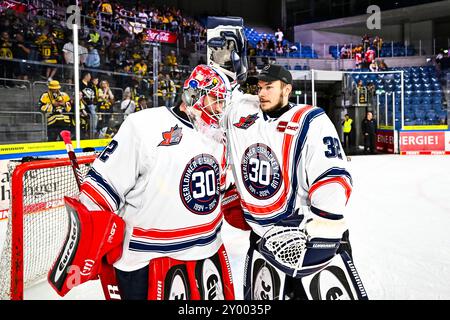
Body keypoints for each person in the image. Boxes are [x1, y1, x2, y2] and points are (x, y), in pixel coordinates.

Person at [48, 64, 236, 300]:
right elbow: (98, 193)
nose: (220, 109)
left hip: (207, 253)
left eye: (223, 102)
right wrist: (92, 240)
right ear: (194, 95)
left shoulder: (218, 137)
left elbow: (220, 188)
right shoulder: (144, 125)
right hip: (146, 260)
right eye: (215, 101)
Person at [221, 64, 367, 300]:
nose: (262, 93)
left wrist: (324, 231)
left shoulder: (310, 121)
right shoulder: (247, 116)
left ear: (286, 89)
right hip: (263, 239)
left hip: (302, 237)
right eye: (259, 88)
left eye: (269, 87)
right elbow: (224, 109)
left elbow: (332, 174)